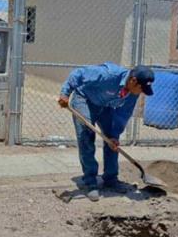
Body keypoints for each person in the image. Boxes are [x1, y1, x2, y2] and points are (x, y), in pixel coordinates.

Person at [57, 62, 155, 201]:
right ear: (133, 81)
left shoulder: (133, 93)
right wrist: (65, 93)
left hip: (105, 105)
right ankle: (90, 182)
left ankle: (111, 178)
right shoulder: (108, 74)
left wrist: (114, 135)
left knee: (112, 141)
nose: (142, 92)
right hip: (84, 99)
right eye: (141, 88)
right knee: (86, 136)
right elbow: (78, 74)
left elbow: (123, 114)